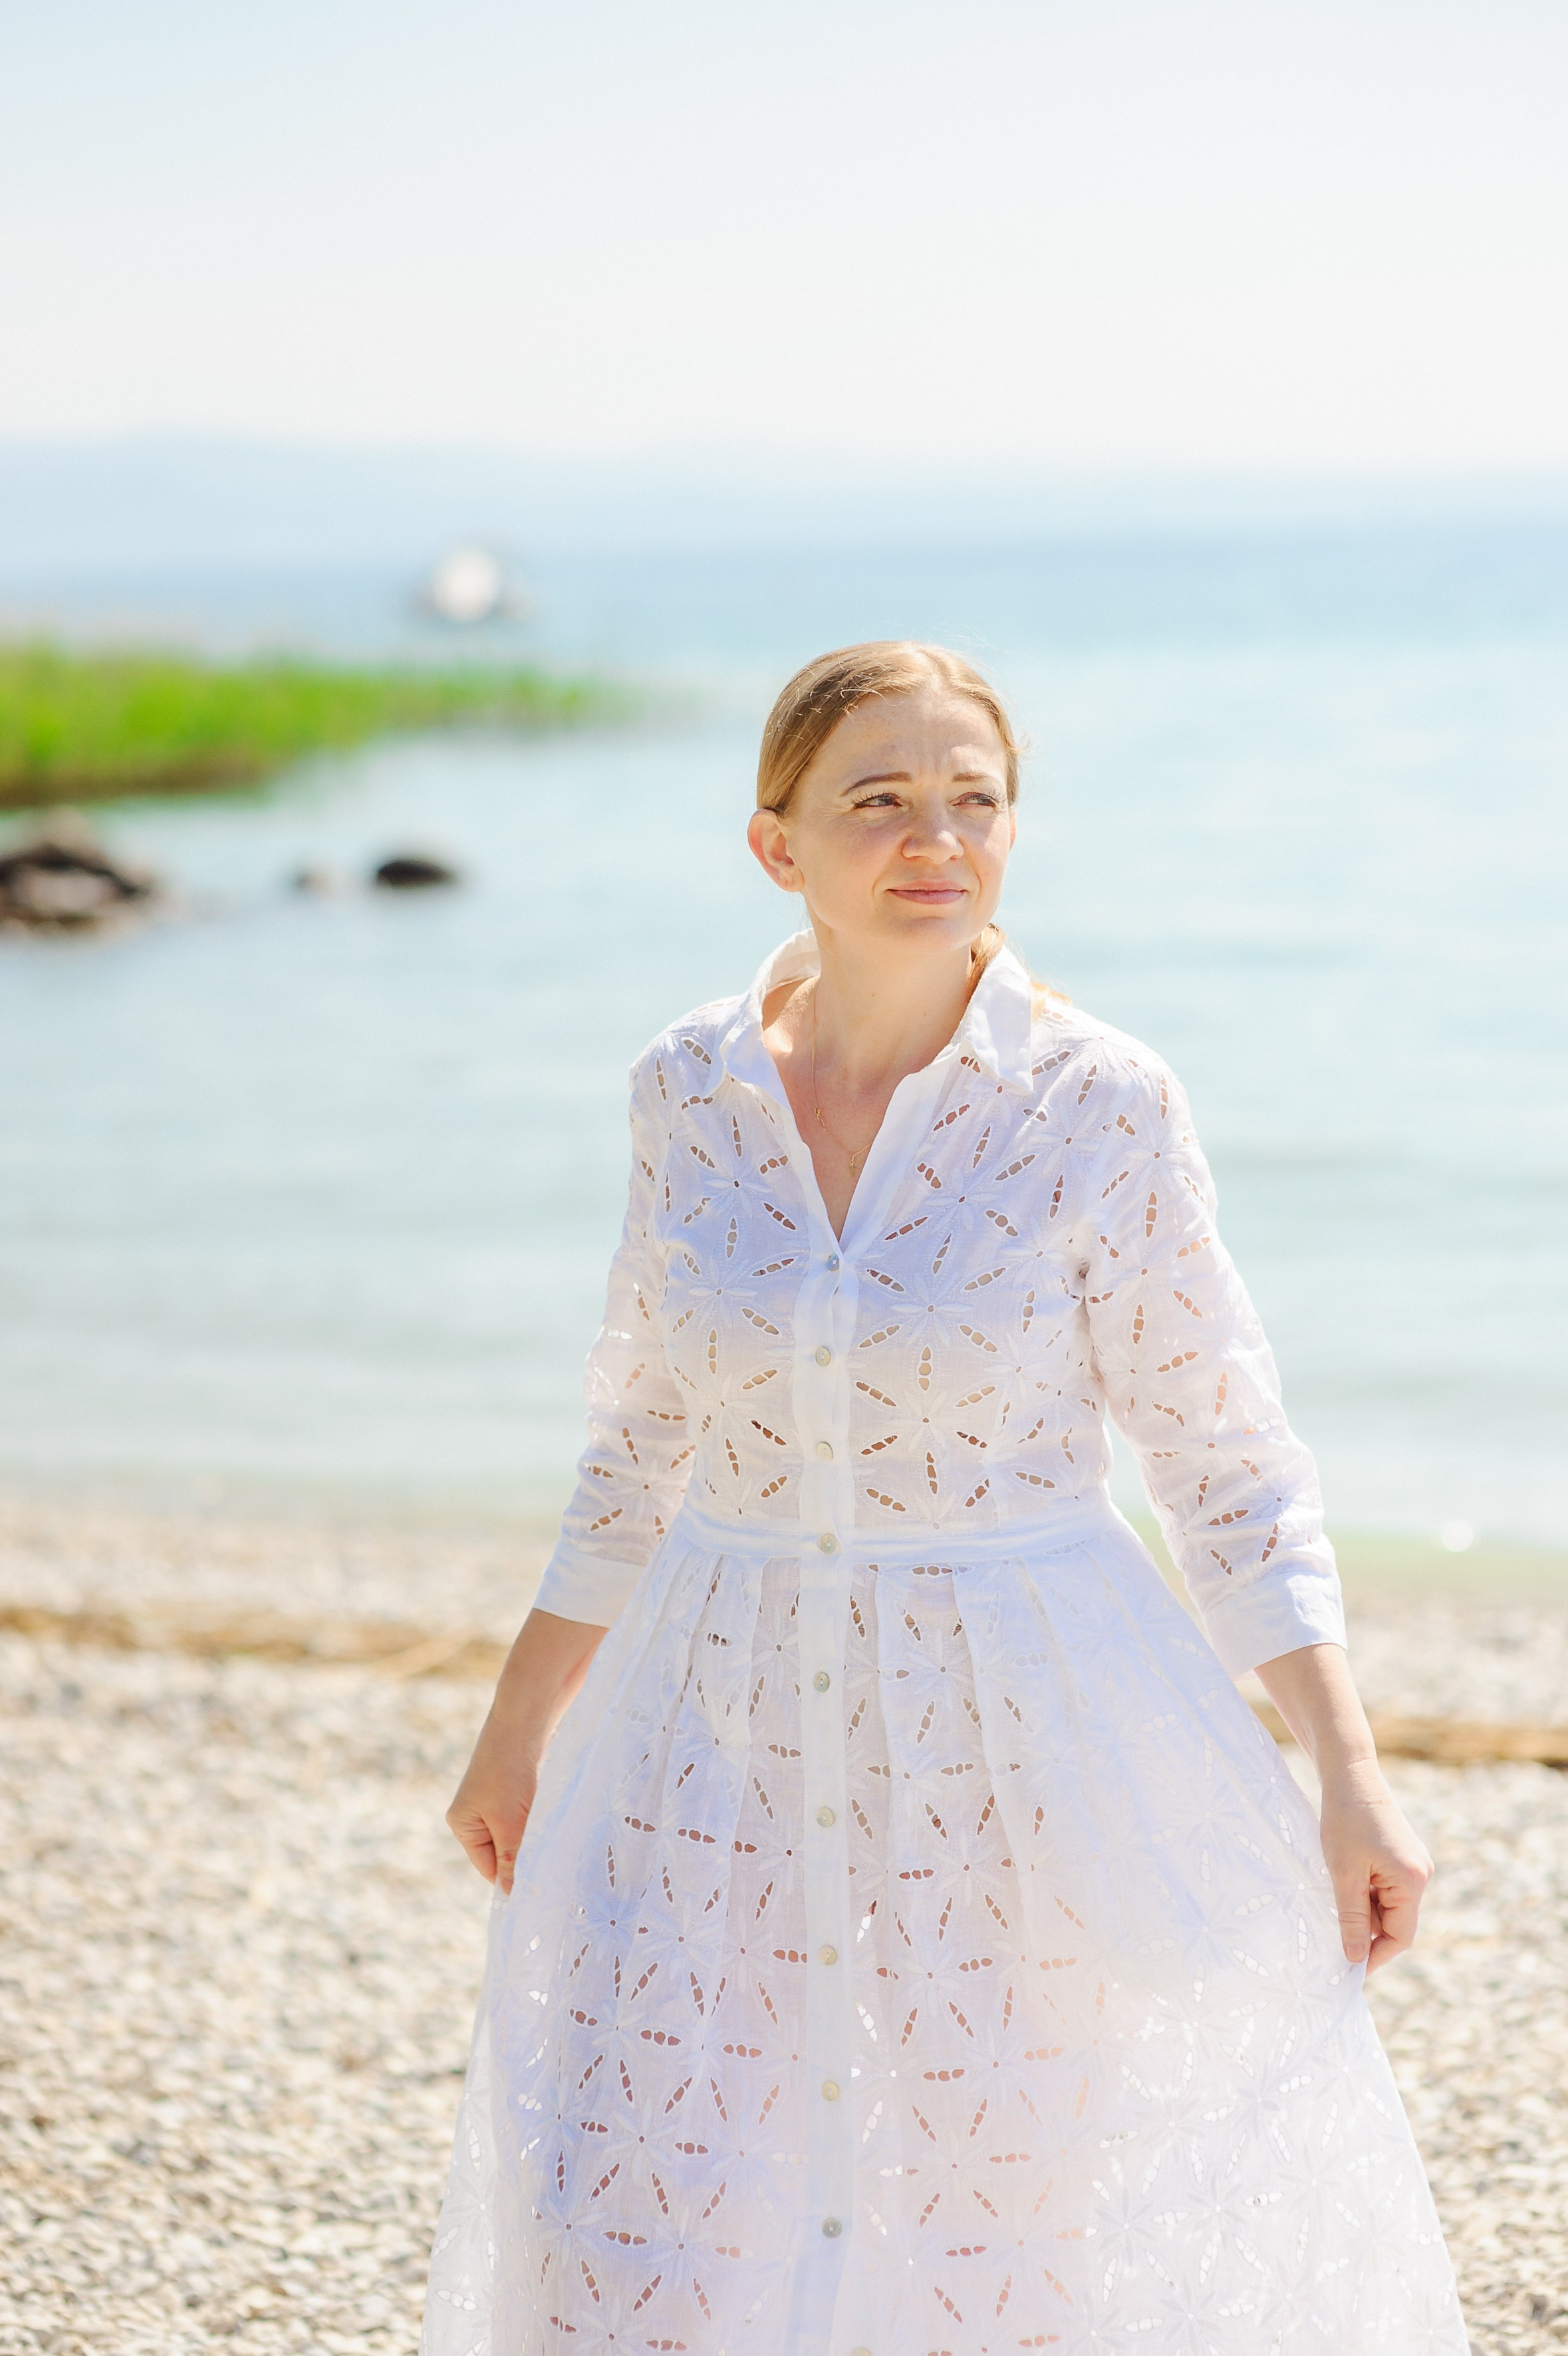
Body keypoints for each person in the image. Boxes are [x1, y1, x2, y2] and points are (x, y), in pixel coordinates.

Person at [422, 642, 1468, 2354]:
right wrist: (517, 1719)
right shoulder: (686, 1087)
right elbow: (637, 1436)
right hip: (712, 1716)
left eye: (976, 801)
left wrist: (1351, 1775)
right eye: (882, 800)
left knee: (999, 2247)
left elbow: (1225, 1463)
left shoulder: (1100, 1105)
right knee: (632, 2211)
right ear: (779, 845)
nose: (939, 839)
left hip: (1014, 1736)